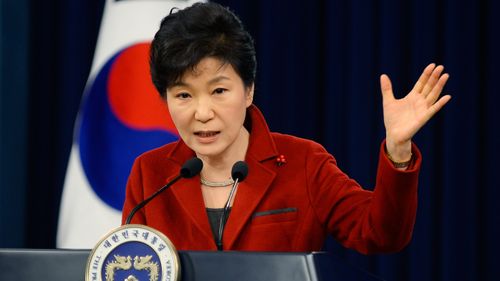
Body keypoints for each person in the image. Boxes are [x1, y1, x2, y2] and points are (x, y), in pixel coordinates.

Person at [122, 2, 450, 254]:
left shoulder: (303, 162)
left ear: (248, 90)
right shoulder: (149, 176)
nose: (202, 112)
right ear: (165, 99)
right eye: (183, 95)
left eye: (219, 91)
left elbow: (380, 235)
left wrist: (398, 150)